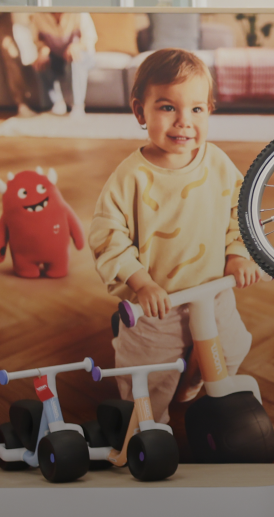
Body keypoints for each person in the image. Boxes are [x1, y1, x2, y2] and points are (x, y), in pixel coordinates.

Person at [90, 49, 258, 418]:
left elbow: (241, 211)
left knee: (229, 351)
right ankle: (149, 428)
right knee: (147, 381)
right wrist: (141, 283)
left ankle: (194, 376)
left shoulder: (217, 163)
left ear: (210, 110)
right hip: (156, 306)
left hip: (212, 295)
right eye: (167, 108)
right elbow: (107, 234)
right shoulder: (129, 177)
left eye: (196, 109)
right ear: (140, 112)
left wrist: (237, 254)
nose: (184, 122)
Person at [15, 12, 96, 117]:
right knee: (40, 63)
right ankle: (55, 104)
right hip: (56, 56)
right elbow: (37, 40)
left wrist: (76, 46)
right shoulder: (38, 15)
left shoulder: (79, 12)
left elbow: (90, 37)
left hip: (81, 54)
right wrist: (44, 50)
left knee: (75, 60)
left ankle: (78, 106)